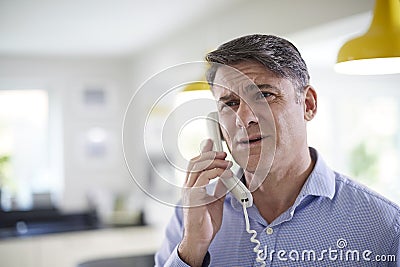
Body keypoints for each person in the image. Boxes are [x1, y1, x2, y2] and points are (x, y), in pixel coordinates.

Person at [155, 34, 400, 266]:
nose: (243, 118)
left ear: (308, 104)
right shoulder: (189, 216)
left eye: (263, 95)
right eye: (230, 103)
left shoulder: (386, 226)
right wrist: (192, 249)